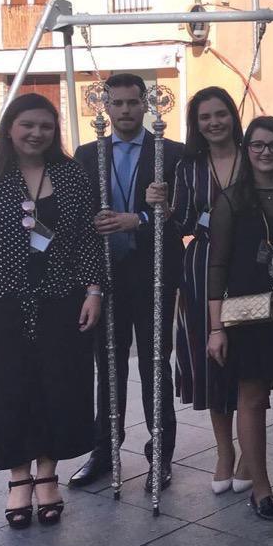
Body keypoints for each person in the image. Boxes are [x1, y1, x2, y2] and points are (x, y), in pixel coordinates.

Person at [0, 93, 103, 529]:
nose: (37, 133)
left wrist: (94, 290)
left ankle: (47, 474)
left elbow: (86, 238)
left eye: (45, 126)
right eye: (28, 125)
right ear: (10, 128)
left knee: (57, 387)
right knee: (8, 390)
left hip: (62, 301)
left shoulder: (72, 175)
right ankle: (19, 477)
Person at [69, 73, 184, 493]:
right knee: (107, 363)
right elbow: (75, 215)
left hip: (152, 272)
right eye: (116, 104)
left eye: (132, 102)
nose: (124, 111)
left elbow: (182, 211)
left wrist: (145, 217)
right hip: (104, 275)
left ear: (145, 104)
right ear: (106, 107)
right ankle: (104, 450)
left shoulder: (171, 153)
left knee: (156, 362)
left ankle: (161, 455)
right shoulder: (86, 154)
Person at [206, 116, 273, 521]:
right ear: (246, 149)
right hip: (246, 315)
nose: (265, 152)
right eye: (257, 145)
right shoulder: (231, 200)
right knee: (251, 399)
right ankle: (260, 489)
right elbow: (216, 267)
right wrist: (216, 328)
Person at [146, 86, 247, 494]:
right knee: (211, 363)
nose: (214, 122)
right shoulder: (189, 167)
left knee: (248, 363)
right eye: (205, 117)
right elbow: (183, 225)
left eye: (220, 113)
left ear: (232, 116)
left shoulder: (253, 156)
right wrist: (165, 207)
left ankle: (251, 453)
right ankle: (225, 451)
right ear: (197, 124)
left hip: (249, 269)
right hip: (202, 270)